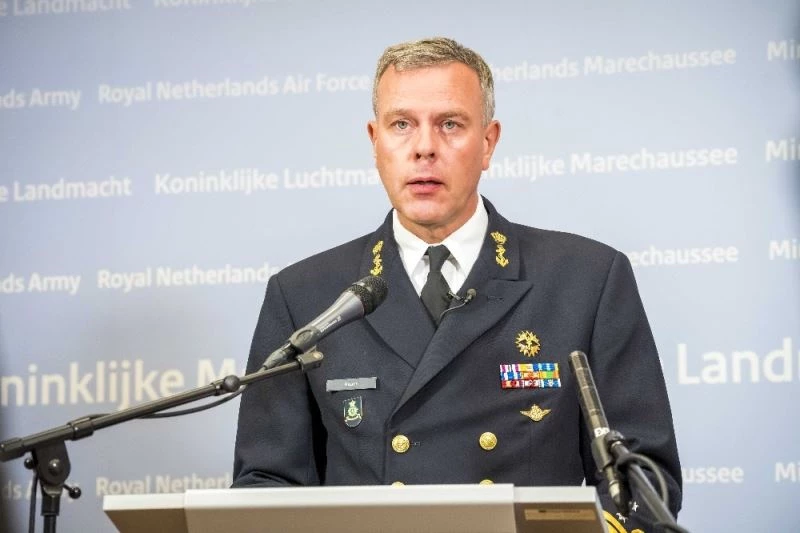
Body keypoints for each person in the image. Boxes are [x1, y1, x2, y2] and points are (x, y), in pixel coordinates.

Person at [232, 37, 681, 532]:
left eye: (450, 124)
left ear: (488, 142)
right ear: (375, 141)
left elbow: (643, 483)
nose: (424, 147)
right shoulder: (304, 296)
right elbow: (267, 486)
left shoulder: (586, 279)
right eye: (401, 124)